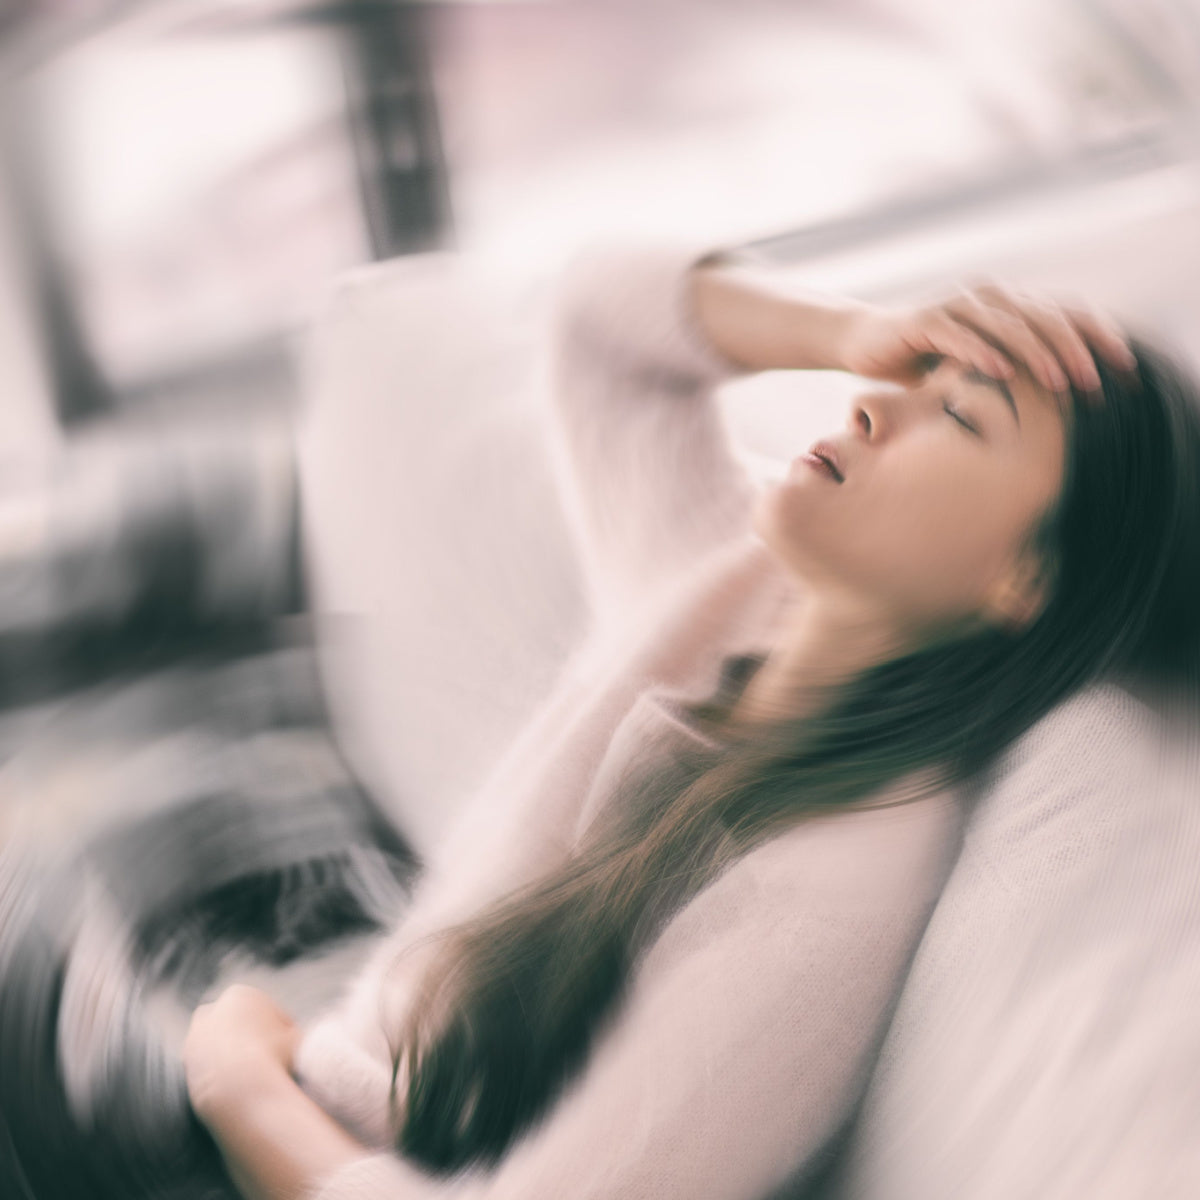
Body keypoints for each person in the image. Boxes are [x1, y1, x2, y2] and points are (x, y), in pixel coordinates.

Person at [182, 237, 1200, 1200]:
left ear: (1023, 580)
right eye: (915, 379)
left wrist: (239, 1084)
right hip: (314, 1073)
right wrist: (850, 329)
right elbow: (599, 325)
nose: (875, 408)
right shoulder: (723, 579)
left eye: (964, 417)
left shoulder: (818, 903)